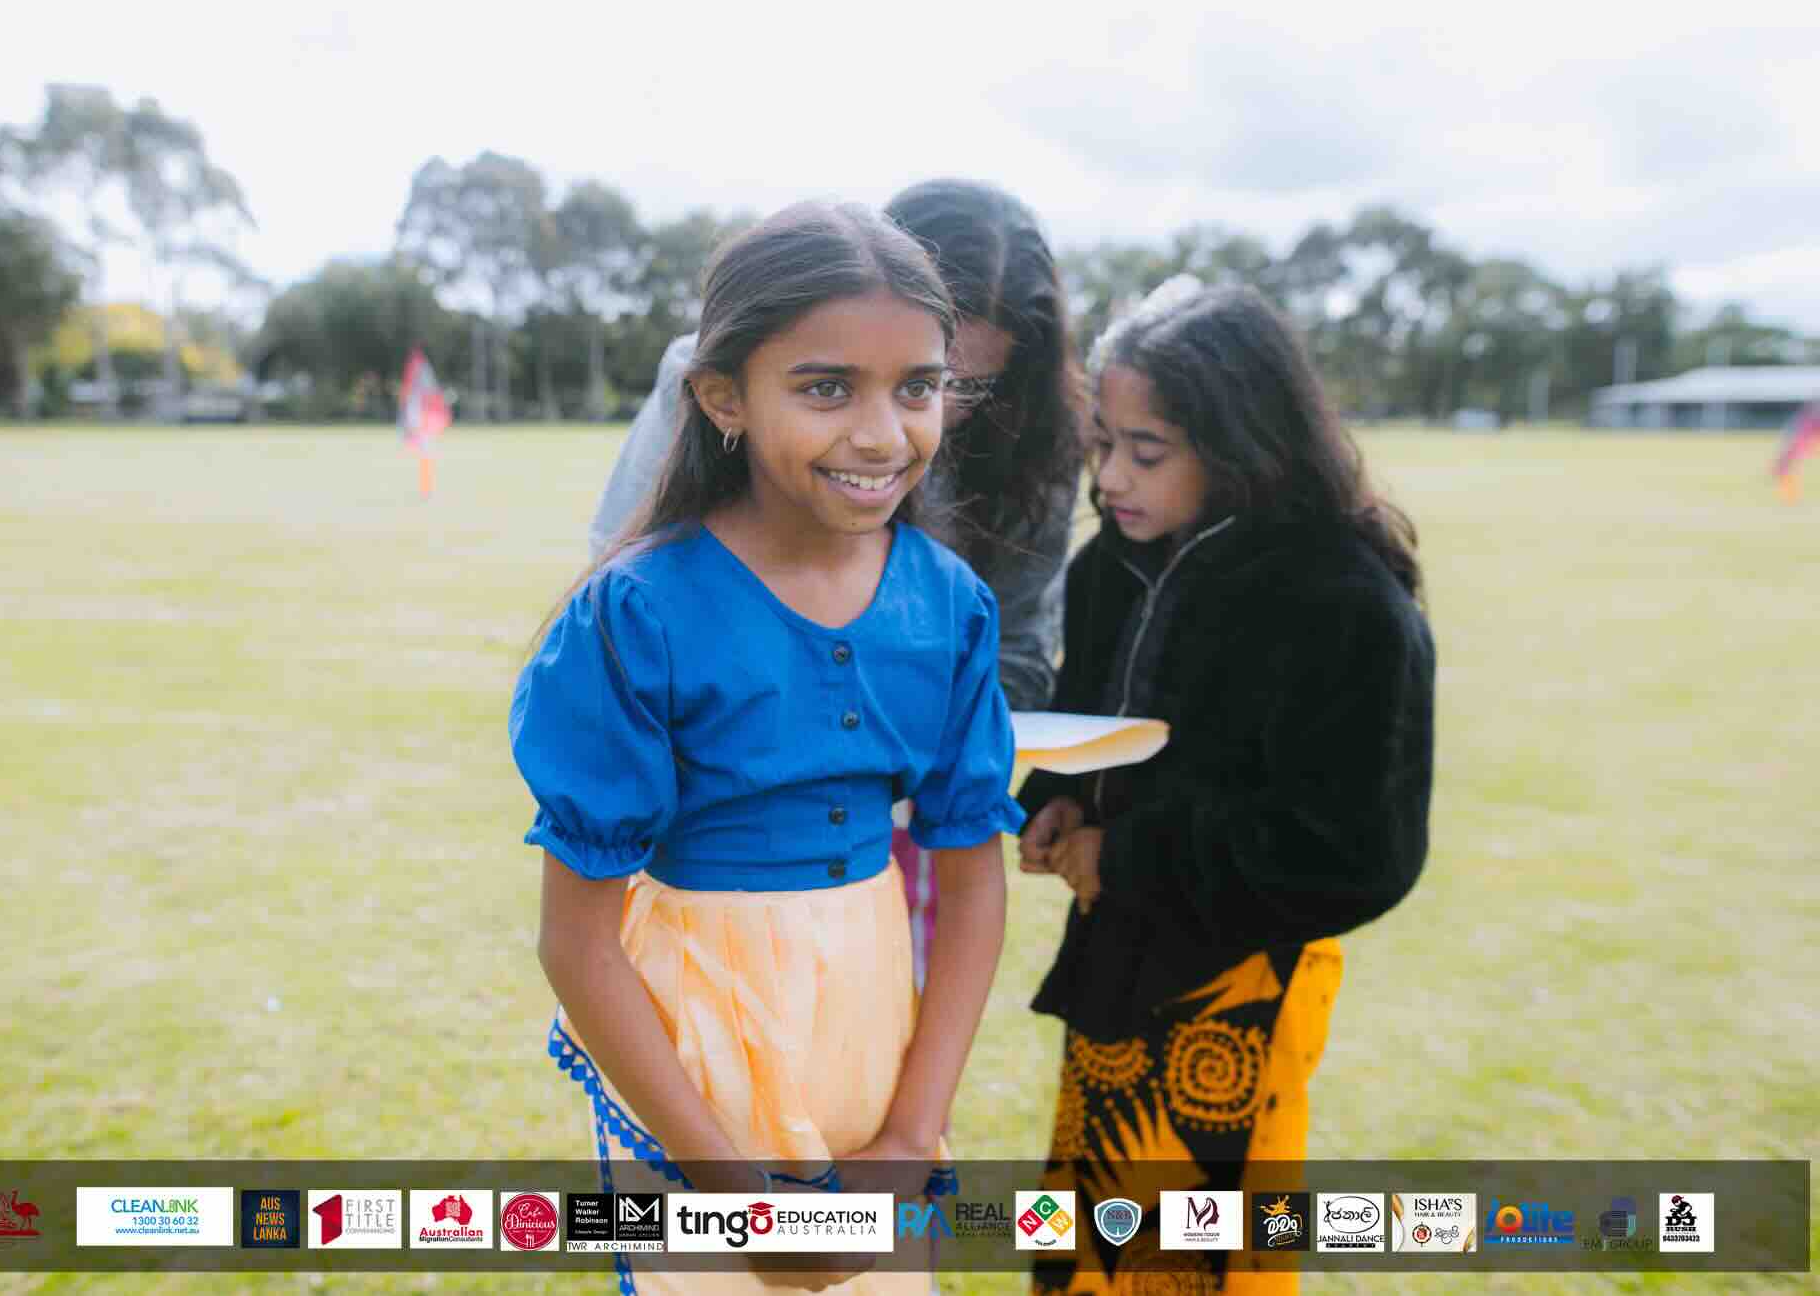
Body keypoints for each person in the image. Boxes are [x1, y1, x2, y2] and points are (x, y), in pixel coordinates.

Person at [515, 200, 1024, 1293]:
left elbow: (972, 881)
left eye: (917, 387)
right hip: (691, 1058)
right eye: (825, 387)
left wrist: (908, 1138)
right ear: (720, 398)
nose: (883, 433)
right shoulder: (634, 617)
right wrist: (735, 1202)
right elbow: (577, 943)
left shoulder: (950, 608)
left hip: (871, 1040)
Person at [1013, 283, 1436, 1294]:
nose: (1110, 477)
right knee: (1081, 1252)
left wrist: (1129, 855)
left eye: (1145, 451)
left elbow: (1353, 851)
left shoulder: (1342, 600)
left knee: (1201, 1267)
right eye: (1100, 443)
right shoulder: (1109, 566)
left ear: (1243, 442)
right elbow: (1087, 723)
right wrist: (1056, 803)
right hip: (1112, 971)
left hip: (1243, 990)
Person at [590, 178, 1081, 989]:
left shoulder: (1036, 447)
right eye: (832, 387)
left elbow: (1022, 644)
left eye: (948, 386)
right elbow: (627, 576)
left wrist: (919, 715)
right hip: (719, 832)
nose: (891, 431)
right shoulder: (709, 384)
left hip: (910, 821)